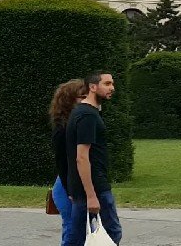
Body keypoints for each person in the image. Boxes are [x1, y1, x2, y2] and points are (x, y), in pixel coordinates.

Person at [66, 71, 121, 246]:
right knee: (111, 233)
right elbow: (81, 157)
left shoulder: (82, 112)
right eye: (107, 84)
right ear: (92, 87)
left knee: (80, 236)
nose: (112, 88)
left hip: (84, 187)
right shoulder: (87, 116)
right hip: (95, 187)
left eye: (112, 84)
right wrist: (91, 195)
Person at [50, 79, 87, 246]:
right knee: (73, 232)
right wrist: (70, 190)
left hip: (78, 184)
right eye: (82, 97)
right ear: (69, 101)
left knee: (80, 231)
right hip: (67, 186)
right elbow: (62, 164)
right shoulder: (62, 130)